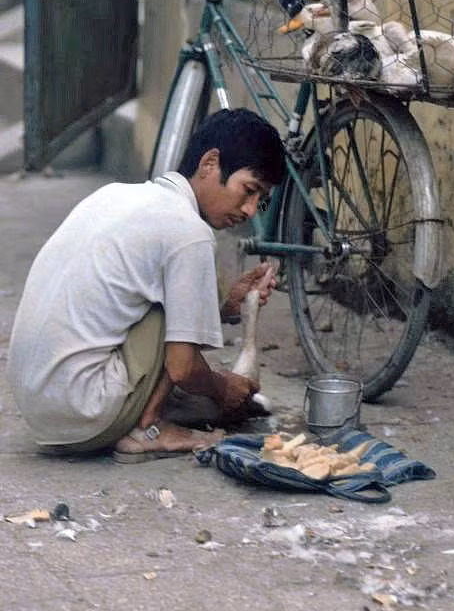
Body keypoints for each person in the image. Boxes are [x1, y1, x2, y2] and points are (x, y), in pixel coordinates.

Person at [7, 108, 286, 462]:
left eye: (259, 200)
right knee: (175, 334)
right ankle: (149, 429)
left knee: (160, 300)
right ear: (210, 163)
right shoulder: (189, 232)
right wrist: (222, 386)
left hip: (41, 409)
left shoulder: (118, 195)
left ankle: (140, 411)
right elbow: (183, 369)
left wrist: (229, 306)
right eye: (248, 190)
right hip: (83, 417)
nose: (249, 210)